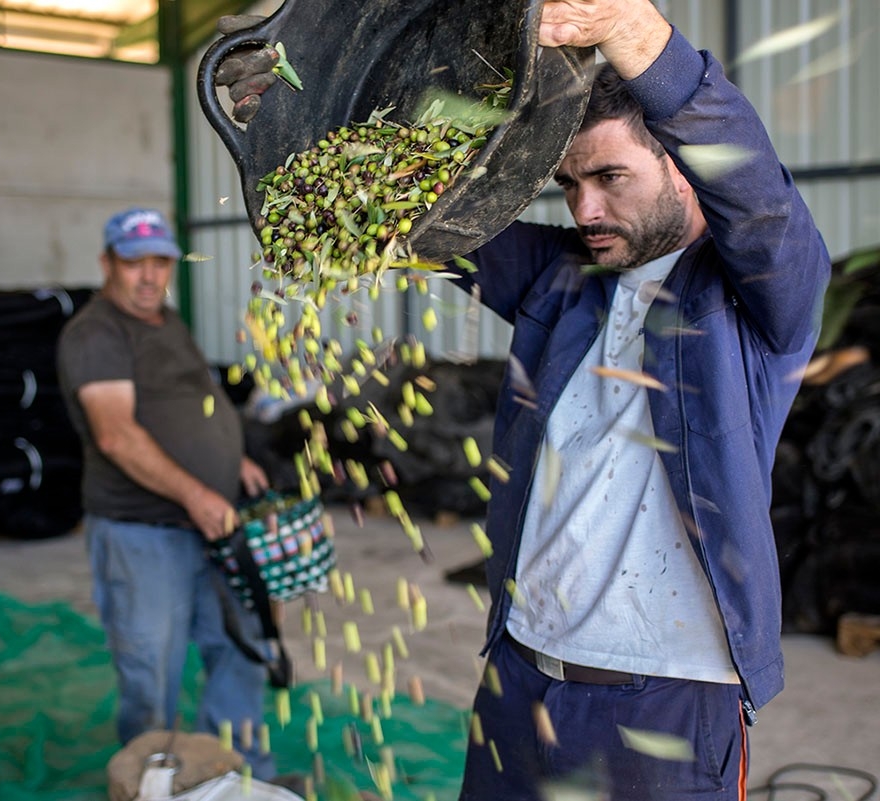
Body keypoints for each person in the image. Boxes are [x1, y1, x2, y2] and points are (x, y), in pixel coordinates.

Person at [212, 0, 831, 797]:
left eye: (611, 177)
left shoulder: (755, 297)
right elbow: (420, 211)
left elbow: (756, 191)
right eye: (569, 183)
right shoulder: (562, 277)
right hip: (517, 675)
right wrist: (294, 110)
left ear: (681, 164)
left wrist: (636, 36)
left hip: (666, 697)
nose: (586, 209)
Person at [55, 207, 275, 778]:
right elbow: (116, 435)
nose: (149, 276)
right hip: (144, 533)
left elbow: (197, 397)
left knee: (241, 647)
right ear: (108, 263)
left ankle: (235, 774)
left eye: (160, 262)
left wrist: (236, 457)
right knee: (151, 668)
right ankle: (153, 779)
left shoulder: (166, 321)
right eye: (135, 263)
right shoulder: (96, 333)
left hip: (212, 521)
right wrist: (198, 495)